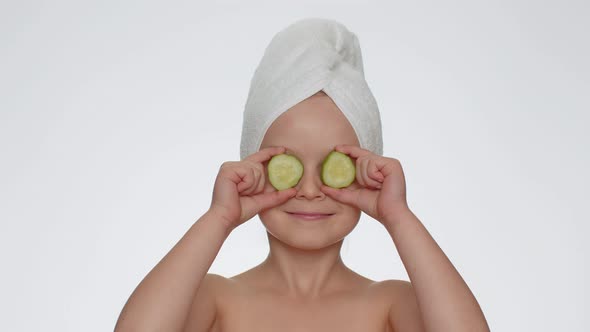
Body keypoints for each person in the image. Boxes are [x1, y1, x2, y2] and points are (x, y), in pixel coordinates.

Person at [115, 19, 490, 332]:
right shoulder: (217, 301)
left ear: (368, 175)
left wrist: (399, 215)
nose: (310, 190)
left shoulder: (389, 305)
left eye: (334, 167)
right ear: (252, 169)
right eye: (288, 166)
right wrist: (219, 218)